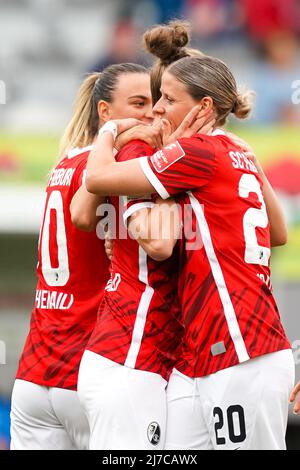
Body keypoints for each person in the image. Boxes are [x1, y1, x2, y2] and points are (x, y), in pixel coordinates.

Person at [85, 50, 294, 449]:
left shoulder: (193, 151)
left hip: (242, 348)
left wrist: (109, 131)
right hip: (203, 353)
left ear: (203, 106)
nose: (158, 110)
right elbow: (279, 232)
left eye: (168, 98)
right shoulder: (235, 150)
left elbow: (97, 178)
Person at [10, 62, 156, 450]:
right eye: (138, 103)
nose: (149, 113)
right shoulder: (114, 170)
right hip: (88, 371)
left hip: (34, 373)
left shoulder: (64, 164)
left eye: (154, 103)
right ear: (104, 112)